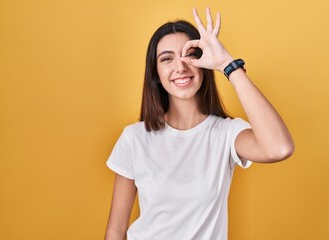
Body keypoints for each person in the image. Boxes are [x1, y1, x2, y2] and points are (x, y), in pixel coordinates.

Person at [104, 7, 294, 240]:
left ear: (203, 63)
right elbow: (115, 230)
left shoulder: (226, 134)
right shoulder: (134, 138)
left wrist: (227, 64)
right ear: (155, 72)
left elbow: (279, 148)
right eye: (167, 59)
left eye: (189, 55)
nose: (180, 67)